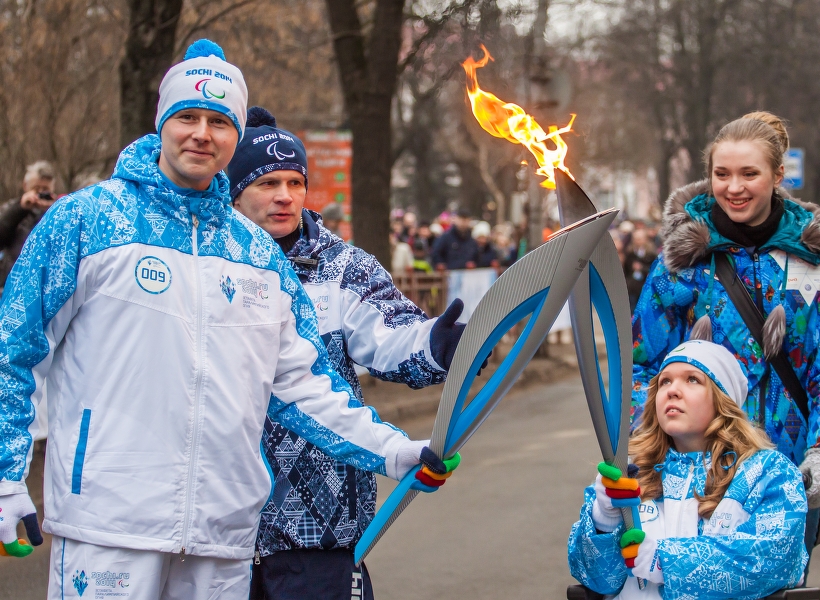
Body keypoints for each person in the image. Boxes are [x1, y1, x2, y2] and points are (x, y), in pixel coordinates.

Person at [0, 41, 457, 599]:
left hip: (222, 536)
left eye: (219, 121)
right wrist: (5, 479)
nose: (201, 133)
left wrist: (391, 449)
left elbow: (303, 385)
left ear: (235, 135)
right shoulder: (89, 220)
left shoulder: (256, 254)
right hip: (110, 523)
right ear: (162, 122)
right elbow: (13, 350)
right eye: (187, 116)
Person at [228, 107, 470, 600]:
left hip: (319, 523)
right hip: (220, 524)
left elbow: (392, 334)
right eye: (267, 183)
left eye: (295, 182)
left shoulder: (340, 266)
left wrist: (436, 344)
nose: (285, 196)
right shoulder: (207, 263)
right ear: (232, 190)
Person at [631, 111, 820, 559]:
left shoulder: (816, 263)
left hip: (785, 476)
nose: (733, 187)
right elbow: (642, 365)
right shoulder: (683, 262)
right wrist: (642, 449)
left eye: (748, 174)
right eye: (722, 174)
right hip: (694, 479)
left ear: (778, 175)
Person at [569, 340, 808, 598]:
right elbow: (594, 580)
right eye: (665, 382)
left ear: (722, 400)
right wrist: (604, 519)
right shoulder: (632, 473)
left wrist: (664, 561)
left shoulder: (767, 474)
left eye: (692, 379)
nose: (673, 390)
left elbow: (773, 560)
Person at [0, 161, 58, 290]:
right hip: (11, 284)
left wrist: (51, 212)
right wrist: (20, 209)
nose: (40, 194)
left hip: (44, 285)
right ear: (25, 186)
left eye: (45, 190)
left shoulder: (58, 212)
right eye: (37, 189)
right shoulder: (12, 208)